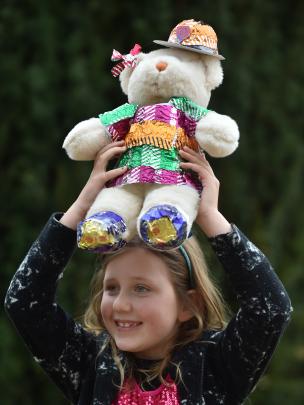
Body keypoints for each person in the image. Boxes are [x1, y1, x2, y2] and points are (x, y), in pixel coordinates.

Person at [5, 140, 292, 405]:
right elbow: (25, 302)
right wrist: (80, 209)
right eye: (112, 288)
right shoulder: (91, 364)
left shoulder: (216, 365)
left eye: (142, 288)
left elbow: (271, 308)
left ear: (188, 304)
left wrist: (209, 217)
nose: (120, 304)